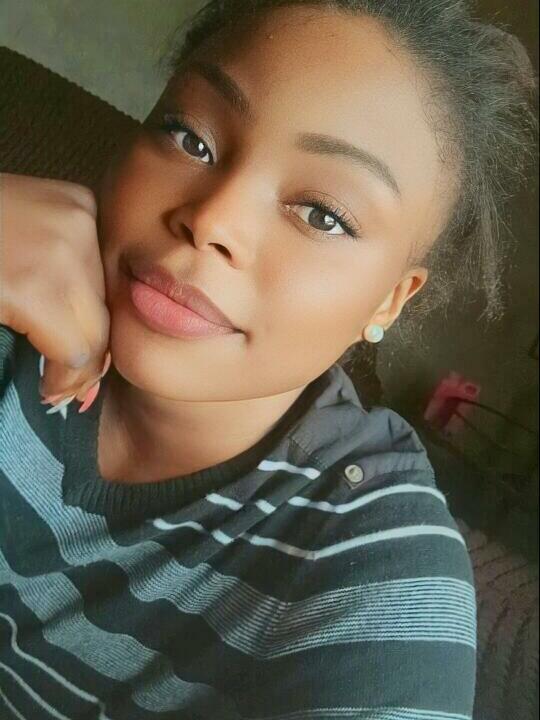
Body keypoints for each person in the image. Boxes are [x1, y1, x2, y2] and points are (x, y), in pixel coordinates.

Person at [0, 1, 536, 718]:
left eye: (323, 215)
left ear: (389, 301)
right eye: (190, 137)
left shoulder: (374, 566)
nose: (213, 219)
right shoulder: (15, 293)